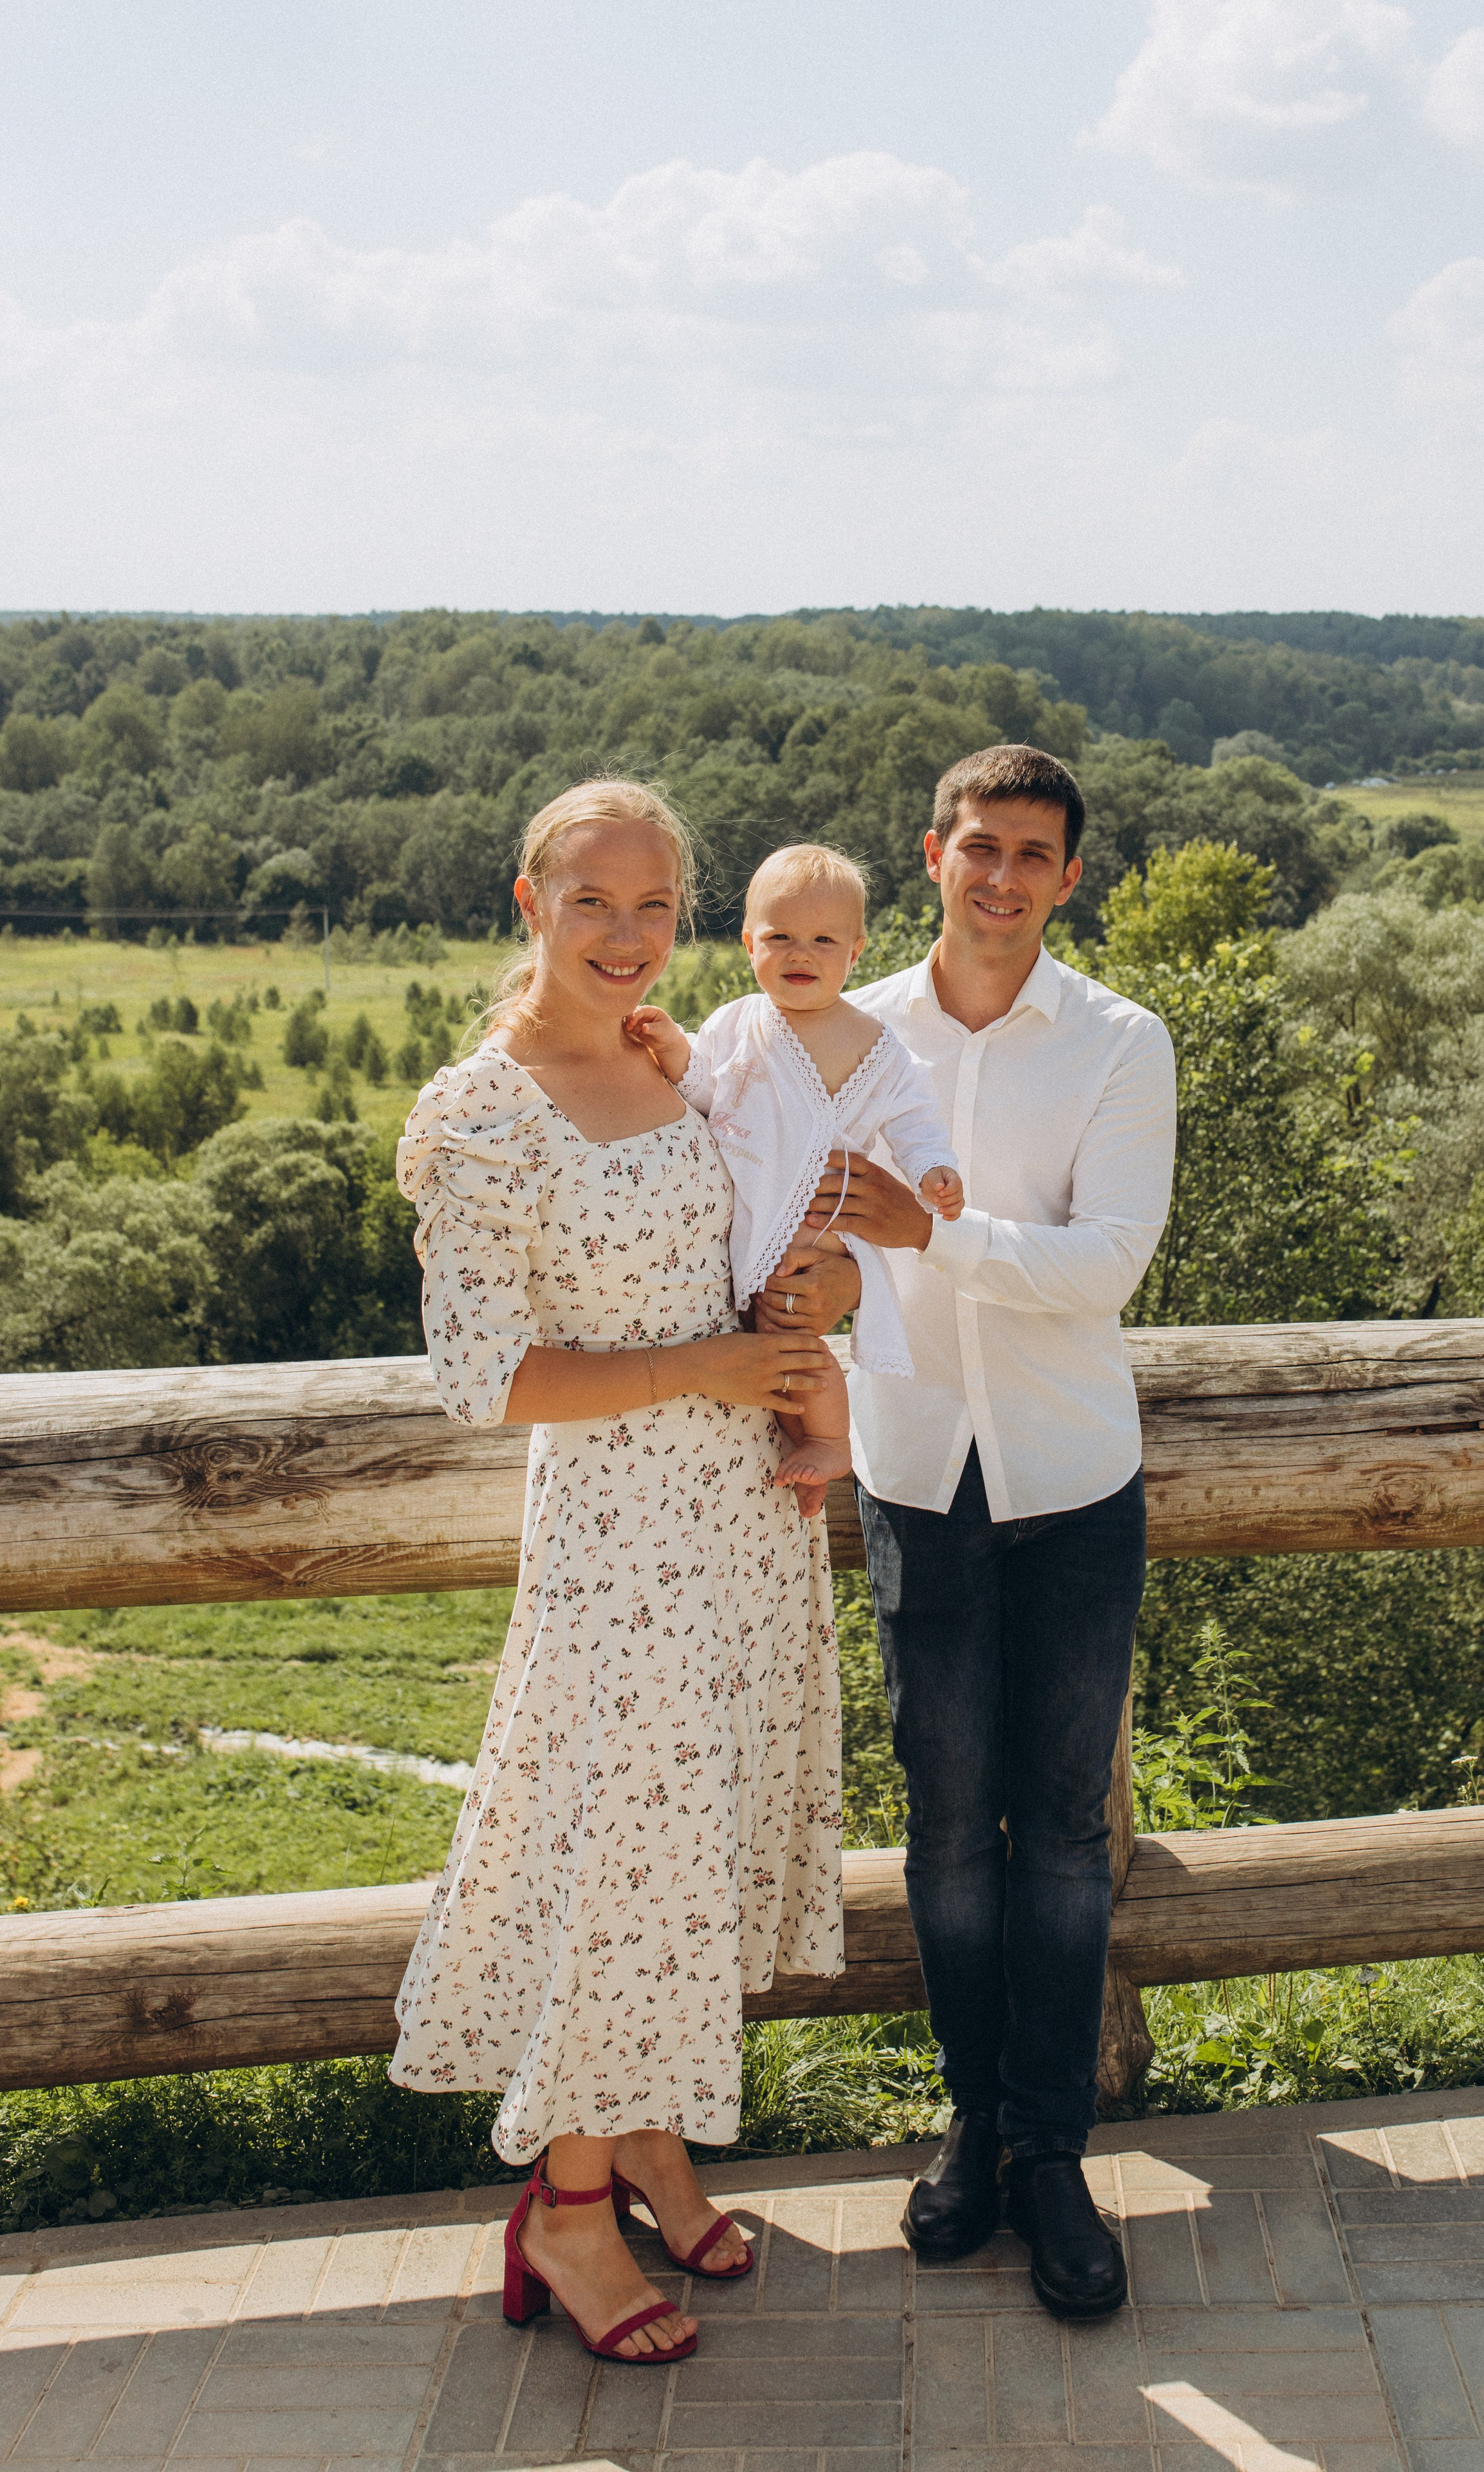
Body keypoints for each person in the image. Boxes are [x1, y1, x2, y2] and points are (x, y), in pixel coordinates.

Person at [391, 780, 843, 2367]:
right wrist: (709, 1366)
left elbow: (786, 1221)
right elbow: (482, 1375)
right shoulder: (483, 1109)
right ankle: (565, 2207)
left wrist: (800, 1373)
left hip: (736, 1520)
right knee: (617, 1862)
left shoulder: (677, 1066)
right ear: (530, 902)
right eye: (595, 902)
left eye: (657, 906)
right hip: (618, 1550)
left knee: (691, 1848)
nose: (630, 937)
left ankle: (647, 2138)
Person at [756, 744, 1176, 2321]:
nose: (999, 874)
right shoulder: (840, 1028)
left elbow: (1103, 1267)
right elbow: (727, 1121)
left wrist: (925, 1230)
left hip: (1071, 1483)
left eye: (1031, 853)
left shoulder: (1122, 1044)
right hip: (914, 1477)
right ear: (929, 853)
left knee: (1061, 1839)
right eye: (975, 844)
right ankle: (973, 2129)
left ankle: (1051, 2153)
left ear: (1067, 878)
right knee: (945, 1833)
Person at [625, 841, 964, 1517]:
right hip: (751, 1214)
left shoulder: (876, 1043)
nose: (799, 954)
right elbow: (704, 1089)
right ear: (749, 942)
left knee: (789, 1334)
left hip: (818, 1225)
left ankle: (833, 1440)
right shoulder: (738, 1023)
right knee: (756, 1341)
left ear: (855, 952)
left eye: (822, 940)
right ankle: (795, 1438)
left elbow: (915, 1118)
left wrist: (933, 1170)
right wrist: (672, 1049)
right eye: (779, 937)